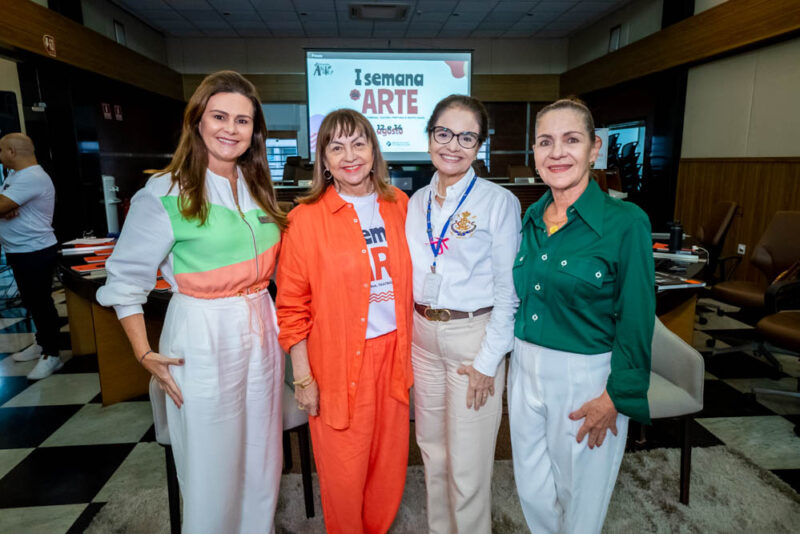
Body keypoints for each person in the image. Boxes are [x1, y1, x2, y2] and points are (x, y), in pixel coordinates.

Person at [96, 71, 287, 534]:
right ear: (197, 120)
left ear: (254, 131)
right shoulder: (164, 191)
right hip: (202, 332)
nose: (231, 129)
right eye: (219, 116)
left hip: (261, 323)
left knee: (262, 456)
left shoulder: (257, 184)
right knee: (210, 462)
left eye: (243, 120)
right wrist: (143, 352)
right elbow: (125, 281)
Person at [510, 97, 655, 534]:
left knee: (581, 500)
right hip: (524, 369)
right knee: (533, 490)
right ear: (533, 153)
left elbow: (637, 316)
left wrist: (617, 396)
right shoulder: (530, 217)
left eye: (571, 140)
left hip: (586, 377)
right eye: (545, 142)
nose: (557, 153)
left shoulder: (626, 222)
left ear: (595, 149)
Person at [276, 108, 413, 534]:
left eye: (358, 143)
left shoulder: (400, 206)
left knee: (388, 471)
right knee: (343, 476)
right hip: (335, 363)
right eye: (336, 146)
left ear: (374, 150)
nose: (349, 155)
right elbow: (292, 306)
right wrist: (303, 378)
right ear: (324, 159)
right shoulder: (305, 218)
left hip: (393, 357)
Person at [405, 95, 521, 533]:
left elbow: (508, 291)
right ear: (430, 136)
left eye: (467, 137)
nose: (453, 145)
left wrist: (490, 360)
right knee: (432, 451)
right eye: (444, 133)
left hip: (474, 337)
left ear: (479, 146)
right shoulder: (414, 202)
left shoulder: (498, 202)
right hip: (423, 336)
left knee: (469, 463)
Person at [0, 133, 62, 380]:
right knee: (32, 301)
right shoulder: (15, 176)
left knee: (41, 302)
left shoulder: (33, 177)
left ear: (12, 152)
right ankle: (41, 343)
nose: (0, 155)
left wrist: (6, 206)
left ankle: (52, 354)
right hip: (19, 249)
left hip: (35, 251)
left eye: (1, 150)